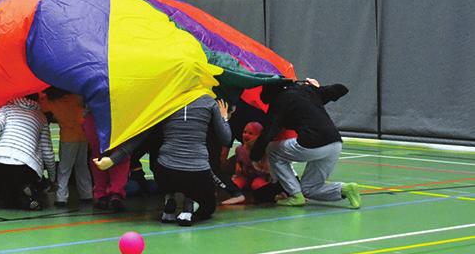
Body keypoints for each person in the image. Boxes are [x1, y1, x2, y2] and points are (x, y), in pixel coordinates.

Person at [95, 94, 232, 227]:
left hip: (166, 171)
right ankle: (189, 206)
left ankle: (170, 198)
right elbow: (226, 139)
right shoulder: (209, 101)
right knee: (208, 207)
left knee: (165, 167)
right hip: (197, 171)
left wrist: (113, 159)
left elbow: (140, 136)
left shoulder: (167, 99)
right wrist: (224, 118)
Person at [250, 78, 360, 208]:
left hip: (312, 143)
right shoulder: (307, 91)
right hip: (335, 144)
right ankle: (345, 189)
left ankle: (295, 194)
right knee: (309, 188)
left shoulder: (279, 100)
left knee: (272, 151)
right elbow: (341, 88)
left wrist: (255, 156)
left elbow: (269, 132)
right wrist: (316, 88)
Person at [39, 88, 92, 207]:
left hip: (68, 137)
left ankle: (61, 198)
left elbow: (41, 106)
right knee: (82, 166)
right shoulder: (77, 96)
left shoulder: (52, 101)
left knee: (64, 169)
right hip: (83, 135)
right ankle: (87, 194)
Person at [227, 121, 287, 204]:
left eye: (251, 133)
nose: (246, 135)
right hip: (246, 176)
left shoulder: (265, 150)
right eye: (244, 132)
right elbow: (239, 164)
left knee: (257, 185)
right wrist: (238, 171)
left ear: (259, 136)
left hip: (261, 176)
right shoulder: (239, 149)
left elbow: (268, 171)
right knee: (234, 185)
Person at [84, 112, 130, 211]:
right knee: (120, 157)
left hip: (94, 116)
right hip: (117, 115)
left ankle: (101, 195)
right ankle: (116, 193)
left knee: (97, 155)